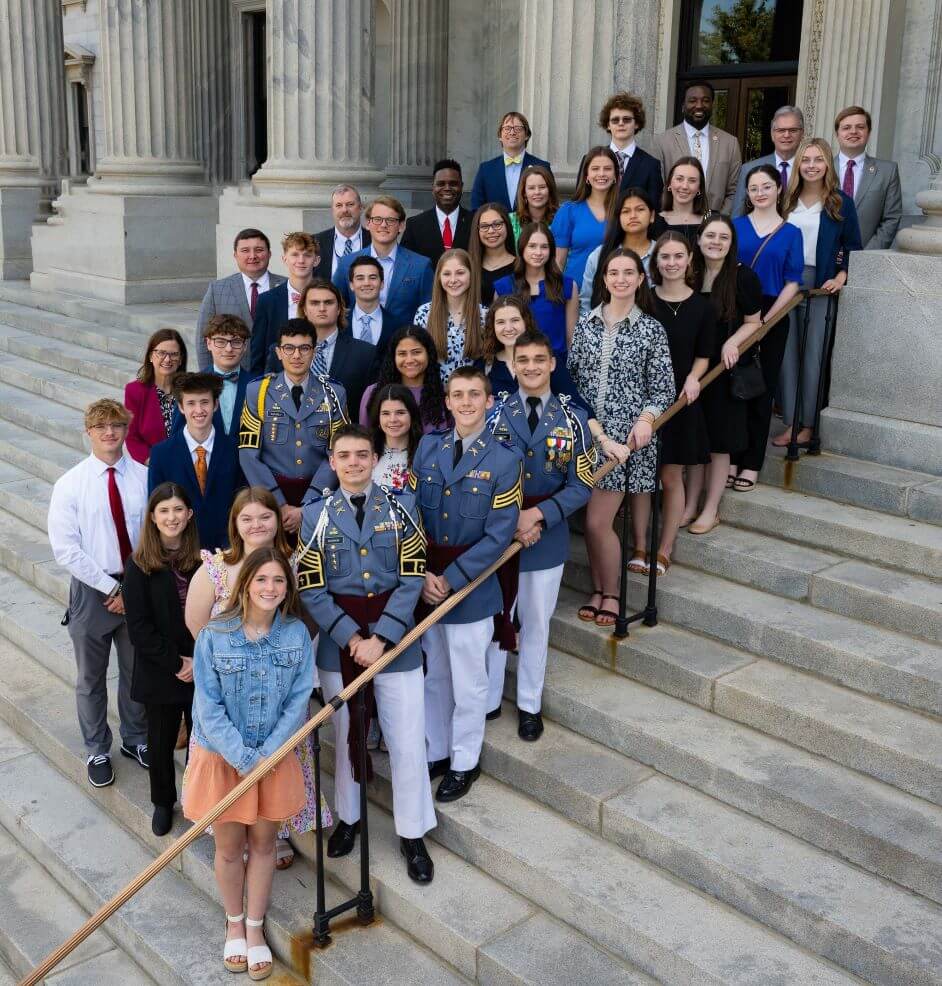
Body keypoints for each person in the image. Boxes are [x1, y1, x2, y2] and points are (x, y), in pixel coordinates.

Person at [298, 425, 436, 882]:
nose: (354, 462)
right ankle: (350, 819)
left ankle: (413, 832)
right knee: (346, 735)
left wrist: (383, 638)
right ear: (332, 462)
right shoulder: (313, 516)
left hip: (394, 640)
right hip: (342, 645)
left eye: (362, 454)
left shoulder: (402, 507)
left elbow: (412, 577)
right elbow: (312, 588)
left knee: (406, 739)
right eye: (345, 455)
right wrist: (352, 639)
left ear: (375, 459)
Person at [185, 548, 314, 980]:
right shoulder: (215, 635)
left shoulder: (295, 635)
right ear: (246, 585)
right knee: (228, 848)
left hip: (272, 758)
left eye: (279, 581)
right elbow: (206, 706)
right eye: (262, 580)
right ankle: (233, 924)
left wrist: (268, 756)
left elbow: (298, 702)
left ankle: (255, 930)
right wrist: (242, 758)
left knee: (263, 845)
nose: (270, 589)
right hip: (224, 756)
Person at [185, 486, 326, 872]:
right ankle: (233, 830)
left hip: (277, 688)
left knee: (275, 761)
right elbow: (197, 623)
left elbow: (306, 620)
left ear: (278, 519)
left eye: (264, 516)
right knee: (231, 762)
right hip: (228, 688)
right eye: (246, 518)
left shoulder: (293, 565)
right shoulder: (216, 567)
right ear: (234, 524)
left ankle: (273, 832)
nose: (256, 524)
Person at [414, 366, 522, 801]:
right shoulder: (428, 447)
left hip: (471, 588)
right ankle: (437, 750)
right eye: (457, 394)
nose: (465, 403)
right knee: (435, 675)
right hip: (426, 583)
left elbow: (499, 535)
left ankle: (464, 761)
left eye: (474, 395)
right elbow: (415, 515)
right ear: (447, 399)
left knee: (469, 679)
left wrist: (452, 580)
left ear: (489, 401)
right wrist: (420, 573)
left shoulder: (504, 458)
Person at [484, 331, 594, 738]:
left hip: (545, 539)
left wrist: (539, 516)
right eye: (522, 359)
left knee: (535, 623)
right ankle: (490, 699)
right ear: (511, 366)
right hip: (499, 536)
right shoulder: (493, 415)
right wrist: (511, 518)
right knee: (495, 621)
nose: (530, 366)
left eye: (538, 359)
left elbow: (581, 485)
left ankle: (529, 703)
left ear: (552, 364)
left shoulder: (572, 419)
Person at [47, 399, 150, 788]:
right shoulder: (70, 484)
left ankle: (135, 739)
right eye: (101, 426)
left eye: (117, 425)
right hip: (93, 591)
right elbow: (66, 549)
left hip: (136, 585)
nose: (110, 432)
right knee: (91, 676)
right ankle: (96, 748)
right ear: (88, 432)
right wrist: (112, 587)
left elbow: (153, 537)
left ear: (126, 430)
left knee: (135, 669)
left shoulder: (143, 476)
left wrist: (132, 588)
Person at [569, 249, 673, 623]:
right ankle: (597, 589)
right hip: (587, 437)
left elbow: (663, 390)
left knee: (598, 521)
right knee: (589, 521)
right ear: (605, 279)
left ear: (641, 279)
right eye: (614, 273)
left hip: (625, 444)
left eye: (630, 272)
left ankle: (611, 593)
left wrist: (647, 419)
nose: (621, 279)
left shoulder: (651, 330)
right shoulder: (586, 324)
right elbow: (572, 378)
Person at [124, 482, 201, 836]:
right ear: (153, 518)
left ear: (189, 514)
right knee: (160, 739)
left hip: (202, 666)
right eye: (164, 511)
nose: (172, 517)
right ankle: (162, 801)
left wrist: (197, 661)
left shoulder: (206, 559)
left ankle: (198, 800)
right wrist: (177, 663)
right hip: (161, 669)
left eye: (178, 509)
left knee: (201, 740)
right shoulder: (139, 565)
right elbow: (139, 628)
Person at [776, 138, 862, 448]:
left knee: (813, 354)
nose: (812, 165)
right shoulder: (786, 200)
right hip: (787, 283)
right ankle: (790, 422)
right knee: (787, 354)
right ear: (798, 164)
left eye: (818, 159)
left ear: (828, 164)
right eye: (806, 159)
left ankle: (808, 425)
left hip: (820, 283)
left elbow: (853, 246)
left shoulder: (840, 202)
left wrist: (841, 276)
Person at [685, 216, 762, 531]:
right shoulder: (690, 274)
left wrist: (732, 342)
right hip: (693, 371)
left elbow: (754, 322)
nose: (716, 242)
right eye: (710, 236)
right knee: (694, 443)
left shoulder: (743, 278)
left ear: (731, 244)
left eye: (724, 237)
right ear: (700, 239)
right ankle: (690, 505)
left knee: (718, 446)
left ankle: (711, 508)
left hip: (723, 372)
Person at [731, 165, 804, 491]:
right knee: (732, 390)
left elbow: (793, 282)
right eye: (754, 188)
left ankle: (751, 463)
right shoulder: (734, 227)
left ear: (778, 190)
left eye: (766, 187)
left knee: (761, 390)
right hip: (736, 311)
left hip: (772, 316)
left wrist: (765, 320)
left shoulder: (791, 232)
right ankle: (731, 456)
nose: (759, 193)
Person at [645, 232, 715, 573]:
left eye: (677, 256)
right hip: (645, 402)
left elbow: (704, 354)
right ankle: (640, 547)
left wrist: (693, 376)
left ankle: (665, 548)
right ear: (656, 262)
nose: (671, 263)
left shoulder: (702, 306)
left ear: (689, 260)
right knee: (644, 480)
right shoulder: (644, 300)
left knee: (671, 476)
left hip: (680, 402)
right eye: (664, 257)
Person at [239, 319, 348, 537]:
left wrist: (309, 505)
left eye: (304, 348)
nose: (296, 355)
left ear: (314, 351)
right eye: (289, 348)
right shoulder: (258, 392)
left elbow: (338, 453)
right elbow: (248, 454)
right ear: (278, 352)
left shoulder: (334, 393)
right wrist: (278, 503)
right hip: (270, 500)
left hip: (318, 496)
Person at [148, 372, 241, 550]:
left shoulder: (234, 449)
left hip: (227, 550)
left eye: (204, 402)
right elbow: (156, 507)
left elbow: (240, 503)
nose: (199, 410)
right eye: (191, 403)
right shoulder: (161, 454)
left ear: (216, 405)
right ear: (181, 407)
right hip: (179, 553)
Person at [333, 196, 434, 331]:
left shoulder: (421, 266)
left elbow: (429, 314)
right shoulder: (347, 263)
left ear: (401, 225)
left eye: (391, 220)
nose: (383, 225)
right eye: (377, 219)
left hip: (402, 346)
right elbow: (335, 306)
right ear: (368, 224)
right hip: (357, 345)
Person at [281, 279, 376, 418]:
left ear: (339, 309)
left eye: (328, 302)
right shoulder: (282, 351)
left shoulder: (365, 353)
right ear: (304, 309)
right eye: (314, 303)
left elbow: (371, 407)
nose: (322, 308)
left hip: (346, 435)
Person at [476, 295, 589, 411]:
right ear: (493, 327)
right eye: (500, 322)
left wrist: (597, 429)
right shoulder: (484, 365)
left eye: (515, 320)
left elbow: (575, 403)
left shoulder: (546, 358)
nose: (508, 328)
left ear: (526, 321)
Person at [197, 229, 285, 372]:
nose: (252, 256)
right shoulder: (217, 289)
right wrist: (207, 377)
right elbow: (203, 337)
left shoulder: (286, 286)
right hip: (232, 375)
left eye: (259, 250)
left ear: (269, 254)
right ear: (235, 255)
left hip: (277, 374)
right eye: (245, 250)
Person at [655, 80, 741, 213]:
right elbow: (658, 187)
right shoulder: (662, 141)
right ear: (683, 105)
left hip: (715, 225)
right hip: (674, 222)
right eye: (692, 101)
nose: (699, 106)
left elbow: (735, 190)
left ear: (712, 104)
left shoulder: (730, 143)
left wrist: (718, 219)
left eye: (705, 100)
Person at [494, 221, 578, 355]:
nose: (538, 252)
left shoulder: (567, 286)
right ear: (522, 248)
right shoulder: (504, 287)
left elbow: (572, 339)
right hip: (516, 364)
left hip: (555, 365)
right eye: (532, 246)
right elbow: (497, 336)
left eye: (544, 247)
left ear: (551, 251)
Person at [833, 104, 903, 250]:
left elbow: (891, 218)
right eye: (846, 128)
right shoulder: (821, 169)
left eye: (860, 127)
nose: (853, 132)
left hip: (865, 258)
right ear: (837, 133)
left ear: (869, 132)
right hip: (821, 260)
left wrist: (865, 256)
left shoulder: (887, 171)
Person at [249, 232, 320, 375]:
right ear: (284, 259)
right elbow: (258, 353)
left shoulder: (328, 297)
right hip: (277, 381)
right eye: (295, 254)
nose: (301, 260)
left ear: (316, 260)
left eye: (307, 255)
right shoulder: (267, 300)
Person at [414, 248, 488, 382]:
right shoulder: (424, 313)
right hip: (436, 395)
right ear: (438, 278)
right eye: (447, 274)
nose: (453, 280)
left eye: (460, 273)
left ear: (471, 275)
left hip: (473, 395)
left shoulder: (485, 315)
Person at [582, 187, 659, 315]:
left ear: (652, 216)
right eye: (626, 211)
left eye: (640, 209)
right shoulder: (600, 255)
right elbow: (585, 301)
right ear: (618, 217)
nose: (633, 216)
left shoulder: (663, 255)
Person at [551, 146, 619, 288]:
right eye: (595, 169)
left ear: (616, 176)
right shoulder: (568, 211)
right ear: (586, 175)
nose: (601, 173)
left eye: (607, 169)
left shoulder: (623, 211)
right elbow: (558, 262)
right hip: (575, 293)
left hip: (615, 292)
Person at [359, 326, 448, 433]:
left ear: (429, 354)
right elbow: (365, 439)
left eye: (416, 352)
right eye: (402, 354)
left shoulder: (445, 394)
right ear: (393, 357)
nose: (409, 360)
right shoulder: (373, 393)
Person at [188, 314, 252, 453]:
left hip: (246, 469)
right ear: (208, 343)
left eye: (236, 342)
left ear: (245, 346)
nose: (229, 349)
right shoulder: (191, 386)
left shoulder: (257, 385)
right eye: (221, 341)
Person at [124, 329, 187, 465]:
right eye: (161, 353)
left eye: (174, 354)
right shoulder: (134, 391)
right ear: (150, 356)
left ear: (181, 359)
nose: (167, 359)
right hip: (151, 467)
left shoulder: (190, 389)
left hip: (187, 466)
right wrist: (154, 463)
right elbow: (132, 438)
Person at [732, 106, 806, 217]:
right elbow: (737, 214)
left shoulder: (810, 170)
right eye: (781, 130)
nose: (786, 135)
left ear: (802, 134)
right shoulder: (749, 169)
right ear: (772, 134)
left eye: (793, 130)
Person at [471, 111, 552, 212]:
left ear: (527, 135)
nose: (512, 132)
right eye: (507, 128)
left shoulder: (542, 167)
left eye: (518, 128)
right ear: (500, 136)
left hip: (531, 227)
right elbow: (476, 208)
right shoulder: (486, 169)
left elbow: (551, 205)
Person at [401, 159, 473, 264]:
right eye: (441, 184)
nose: (447, 188)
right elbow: (406, 264)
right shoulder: (415, 225)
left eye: (453, 184)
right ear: (433, 188)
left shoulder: (475, 222)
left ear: (461, 187)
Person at [598, 92, 663, 206]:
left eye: (627, 119)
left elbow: (654, 209)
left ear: (636, 123)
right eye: (615, 120)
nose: (621, 123)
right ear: (608, 125)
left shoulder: (651, 165)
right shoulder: (592, 160)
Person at [368, 384, 424, 492]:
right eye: (386, 413)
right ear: (378, 418)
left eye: (400, 413)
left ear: (412, 415)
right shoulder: (365, 452)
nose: (393, 419)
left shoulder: (425, 454)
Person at [312, 184, 370, 281]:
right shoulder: (315, 242)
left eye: (350, 204)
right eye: (339, 205)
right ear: (332, 210)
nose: (344, 210)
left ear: (361, 208)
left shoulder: (375, 240)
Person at [347, 255, 395, 363]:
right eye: (360, 278)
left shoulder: (397, 325)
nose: (366, 283)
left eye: (372, 278)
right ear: (351, 285)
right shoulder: (337, 323)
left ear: (382, 284)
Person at [469, 202, 517, 304]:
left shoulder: (521, 266)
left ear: (507, 225)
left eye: (497, 224)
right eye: (484, 226)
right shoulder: (468, 267)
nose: (491, 231)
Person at [654, 157, 708, 243]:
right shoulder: (654, 222)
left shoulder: (711, 220)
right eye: (679, 179)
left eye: (692, 181)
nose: (684, 186)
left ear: (699, 188)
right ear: (669, 184)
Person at [509, 164, 560, 244]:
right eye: (531, 188)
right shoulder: (511, 221)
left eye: (542, 187)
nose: (537, 192)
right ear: (524, 193)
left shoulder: (562, 219)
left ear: (550, 190)